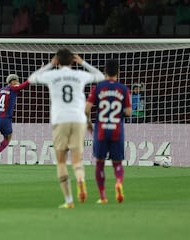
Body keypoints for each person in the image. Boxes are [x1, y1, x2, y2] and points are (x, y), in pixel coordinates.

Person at [28, 48, 104, 208]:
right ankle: (81, 180)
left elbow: (32, 78)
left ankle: (69, 201)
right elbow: (101, 77)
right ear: (72, 61)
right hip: (78, 119)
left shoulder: (52, 75)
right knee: (77, 160)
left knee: (61, 162)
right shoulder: (79, 75)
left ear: (57, 61)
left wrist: (49, 64)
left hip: (60, 120)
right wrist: (82, 62)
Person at [85, 59, 132, 204]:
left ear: (105, 71)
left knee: (100, 163)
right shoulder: (123, 89)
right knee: (117, 163)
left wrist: (89, 123)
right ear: (118, 72)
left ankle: (103, 196)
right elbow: (129, 112)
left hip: (101, 129)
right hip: (117, 129)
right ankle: (118, 182)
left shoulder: (99, 88)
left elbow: (86, 109)